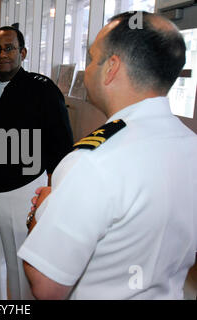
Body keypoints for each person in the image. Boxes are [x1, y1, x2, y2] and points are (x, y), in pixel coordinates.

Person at [18, 11, 197, 300]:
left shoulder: (92, 161)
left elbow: (45, 285)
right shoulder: (190, 146)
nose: (87, 69)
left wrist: (41, 211)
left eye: (91, 59)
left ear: (111, 67)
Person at [0, 26, 73, 300]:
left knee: (20, 264)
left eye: (9, 48)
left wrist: (55, 190)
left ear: (23, 52)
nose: (2, 54)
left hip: (24, 190)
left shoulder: (42, 89)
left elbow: (61, 143)